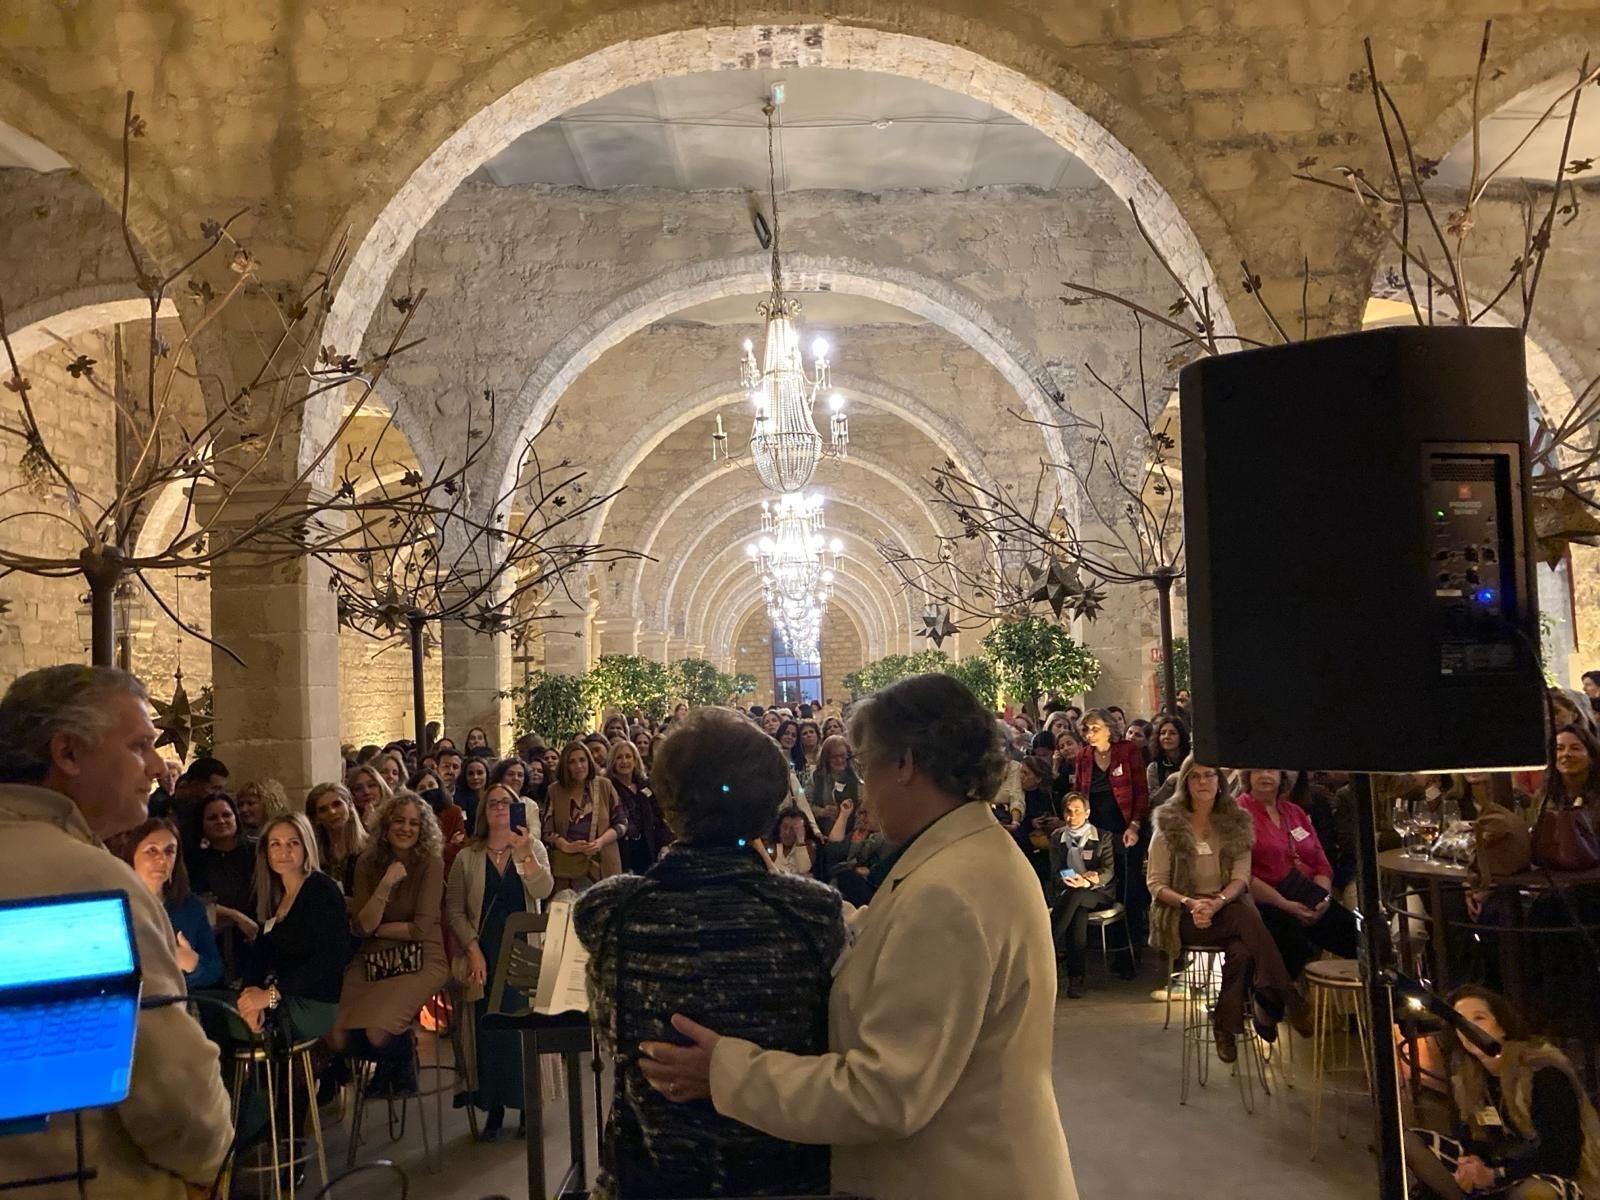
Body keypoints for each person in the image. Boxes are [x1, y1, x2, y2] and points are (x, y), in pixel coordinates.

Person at [636, 674, 1077, 1200]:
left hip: (961, 1176)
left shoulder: (948, 894)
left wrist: (727, 1074)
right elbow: (892, 935)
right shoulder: (967, 854)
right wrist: (781, 892)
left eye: (867, 767)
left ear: (906, 763)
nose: (864, 792)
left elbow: (883, 1094)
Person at [574, 707, 846, 1198]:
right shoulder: (811, 913)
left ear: (666, 803)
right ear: (768, 808)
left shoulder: (612, 911)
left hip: (652, 1179)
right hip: (784, 1177)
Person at [0, 665, 232, 1197]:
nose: (156, 766)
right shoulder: (93, 882)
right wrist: (209, 1166)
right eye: (138, 745)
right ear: (68, 753)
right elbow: (171, 1091)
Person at [1148, 759, 1310, 1062]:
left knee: (1242, 950)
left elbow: (1241, 877)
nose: (1203, 782)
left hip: (1226, 907)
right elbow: (1156, 884)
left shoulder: (1235, 822)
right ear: (1185, 782)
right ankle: (1285, 992)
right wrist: (1192, 903)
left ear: (1219, 781)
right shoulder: (1169, 823)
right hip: (1184, 914)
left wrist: (1218, 901)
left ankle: (1225, 1025)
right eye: (1195, 777)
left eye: (1209, 775)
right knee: (1243, 917)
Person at [1407, 986, 1600, 1199]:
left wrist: (1495, 1175)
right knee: (1409, 1141)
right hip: (1495, 1168)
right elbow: (1474, 1138)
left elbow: (1562, 1158)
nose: (1469, 1028)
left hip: (1546, 1174)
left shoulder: (1541, 1071)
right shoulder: (1468, 1077)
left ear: (1502, 1026)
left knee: (1537, 1192)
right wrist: (1470, 1162)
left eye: (1479, 1018)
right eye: (1461, 1021)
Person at [446, 782, 555, 1140]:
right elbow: (454, 911)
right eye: (492, 803)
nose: (499, 808)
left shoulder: (533, 848)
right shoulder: (467, 856)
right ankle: (492, 1106)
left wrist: (524, 855)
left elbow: (543, 890)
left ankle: (527, 1105)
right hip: (485, 951)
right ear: (483, 811)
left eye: (506, 803)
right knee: (488, 1028)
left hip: (524, 949)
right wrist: (473, 949)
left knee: (522, 1026)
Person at [331, 791, 449, 1097]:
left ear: (422, 830)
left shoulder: (431, 863)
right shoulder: (367, 863)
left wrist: (376, 930)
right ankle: (388, 1065)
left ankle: (402, 1056)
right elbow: (362, 926)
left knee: (377, 1032)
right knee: (335, 1034)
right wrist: (385, 884)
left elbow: (420, 928)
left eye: (414, 823)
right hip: (373, 957)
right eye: (399, 821)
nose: (405, 828)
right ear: (386, 825)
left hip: (422, 956)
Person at [1238, 768, 1360, 978]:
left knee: (1360, 939)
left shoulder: (1294, 812)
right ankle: (1284, 996)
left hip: (1307, 894)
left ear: (1282, 776)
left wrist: (1323, 898)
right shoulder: (1237, 814)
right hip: (1264, 900)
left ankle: (1392, 991)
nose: (1265, 775)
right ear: (1248, 776)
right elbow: (1241, 874)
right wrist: (1285, 905)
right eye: (1257, 770)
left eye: (1271, 770)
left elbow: (1321, 863)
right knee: (1291, 938)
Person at [112, 817, 223, 990]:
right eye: (152, 850)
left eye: (169, 851)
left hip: (177, 998)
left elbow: (215, 969)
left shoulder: (190, 906)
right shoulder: (114, 906)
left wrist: (193, 964)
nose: (162, 859)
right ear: (132, 855)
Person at [1075, 708, 1149, 940]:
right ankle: (1107, 939)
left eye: (1095, 728)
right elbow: (1078, 793)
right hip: (1098, 830)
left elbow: (1141, 792)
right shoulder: (1083, 756)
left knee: (1130, 885)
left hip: (1126, 826)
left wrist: (1134, 825)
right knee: (1104, 882)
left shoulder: (1127, 750)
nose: (1090, 733)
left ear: (1109, 729)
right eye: (1086, 729)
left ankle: (1132, 942)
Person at [1049, 792, 1119, 997]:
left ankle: (1047, 941)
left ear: (1087, 813)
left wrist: (1088, 881)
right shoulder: (1057, 837)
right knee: (1078, 912)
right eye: (1068, 812)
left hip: (1098, 893)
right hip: (1070, 891)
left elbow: (1108, 871)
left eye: (1077, 811)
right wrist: (1067, 879)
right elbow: (1055, 871)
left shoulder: (1103, 836)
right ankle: (1076, 978)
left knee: (1077, 895)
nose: (1072, 817)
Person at [187, 793, 259, 973]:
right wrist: (235, 915)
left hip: (259, 937)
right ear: (202, 824)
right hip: (217, 945)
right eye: (212, 818)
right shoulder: (195, 860)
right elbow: (195, 899)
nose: (221, 821)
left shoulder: (257, 852)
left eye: (226, 815)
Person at [544, 739, 626, 892]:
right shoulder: (554, 791)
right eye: (572, 762)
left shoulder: (604, 785)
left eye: (582, 760)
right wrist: (566, 846)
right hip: (568, 869)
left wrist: (601, 841)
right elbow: (546, 832)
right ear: (565, 765)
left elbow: (621, 823)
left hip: (603, 865)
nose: (579, 766)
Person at [607, 739, 670, 874]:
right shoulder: (608, 788)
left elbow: (659, 816)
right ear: (613, 762)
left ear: (635, 760)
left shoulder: (646, 785)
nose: (624, 761)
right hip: (623, 851)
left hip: (648, 849)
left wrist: (664, 844)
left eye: (628, 756)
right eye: (619, 757)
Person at [307, 780, 369, 897]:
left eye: (337, 804)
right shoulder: (311, 854)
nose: (332, 812)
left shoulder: (370, 847)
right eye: (323, 809)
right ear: (316, 819)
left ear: (349, 806)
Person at [1146, 715, 1189, 805]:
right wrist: (1169, 782)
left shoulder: (1191, 761)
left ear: (1181, 736)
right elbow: (1154, 801)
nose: (1166, 737)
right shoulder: (1154, 767)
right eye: (1163, 733)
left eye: (1172, 733)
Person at [768, 805, 816, 876]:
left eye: (793, 828)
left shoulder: (809, 845)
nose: (787, 832)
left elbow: (804, 870)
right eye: (785, 827)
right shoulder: (771, 846)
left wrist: (800, 841)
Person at [346, 761, 391, 830]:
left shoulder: (395, 815)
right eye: (358, 789)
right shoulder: (348, 822)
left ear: (381, 787)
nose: (366, 792)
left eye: (371, 785)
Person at [458, 755, 490, 831]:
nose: (475, 777)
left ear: (487, 775)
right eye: (471, 773)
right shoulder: (458, 801)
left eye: (480, 773)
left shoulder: (494, 797)